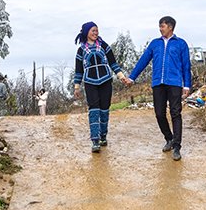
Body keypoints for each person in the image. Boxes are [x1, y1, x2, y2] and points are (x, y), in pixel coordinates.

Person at [124, 15, 192, 161]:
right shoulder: (155, 44)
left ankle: (177, 147)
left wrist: (187, 85)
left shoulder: (181, 44)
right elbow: (143, 60)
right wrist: (132, 77)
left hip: (174, 83)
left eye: (163, 26)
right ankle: (169, 138)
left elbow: (186, 65)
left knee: (175, 113)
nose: (160, 29)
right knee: (159, 114)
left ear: (170, 27)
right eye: (160, 26)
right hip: (158, 83)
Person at [71, 22, 125, 153]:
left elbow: (113, 63)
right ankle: (95, 140)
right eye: (93, 31)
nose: (95, 33)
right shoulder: (81, 50)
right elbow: (79, 70)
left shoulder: (104, 46)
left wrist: (121, 76)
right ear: (86, 32)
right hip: (90, 82)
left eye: (97, 31)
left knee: (104, 109)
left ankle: (103, 136)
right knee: (93, 110)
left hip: (106, 80)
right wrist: (77, 87)